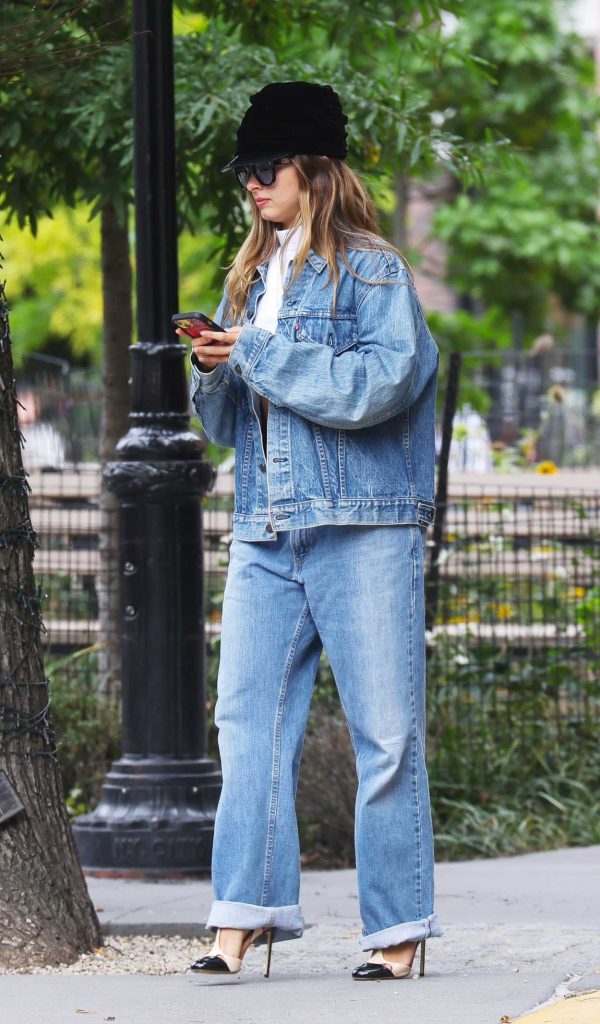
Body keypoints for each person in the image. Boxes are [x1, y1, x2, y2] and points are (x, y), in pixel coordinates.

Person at [181, 81, 443, 982]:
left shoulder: (375, 272)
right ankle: (239, 918)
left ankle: (397, 928)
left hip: (364, 526)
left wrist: (252, 352)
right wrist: (213, 362)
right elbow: (226, 426)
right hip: (264, 529)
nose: (252, 184)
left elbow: (380, 387)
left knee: (386, 734)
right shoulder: (247, 277)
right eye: (245, 172)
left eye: (268, 167)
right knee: (247, 727)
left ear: (317, 170)